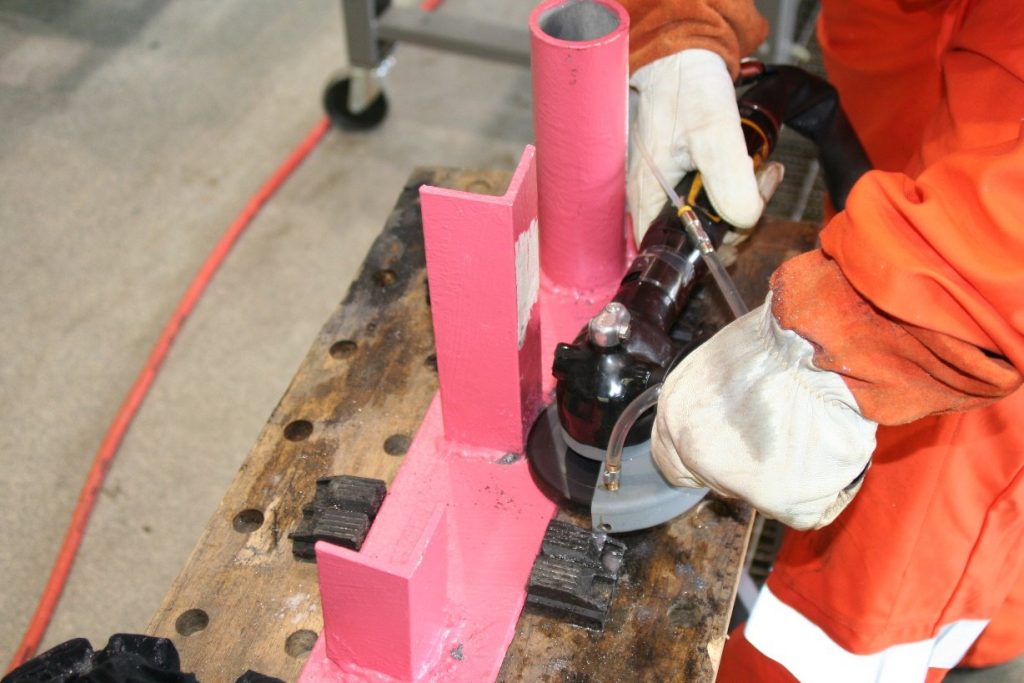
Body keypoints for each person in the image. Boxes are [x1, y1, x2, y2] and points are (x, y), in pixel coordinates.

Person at [617, 0, 1024, 680]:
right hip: (902, 37)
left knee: (867, 594)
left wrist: (874, 330)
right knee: (875, 183)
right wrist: (677, 24)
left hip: (993, 249)